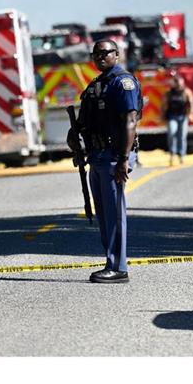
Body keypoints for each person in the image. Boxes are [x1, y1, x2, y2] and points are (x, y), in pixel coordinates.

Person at [67, 40, 142, 284]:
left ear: (116, 54)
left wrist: (123, 159)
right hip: (97, 155)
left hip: (114, 155)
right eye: (96, 54)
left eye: (105, 53)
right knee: (104, 215)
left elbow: (130, 121)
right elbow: (81, 123)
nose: (100, 57)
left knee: (114, 214)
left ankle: (119, 268)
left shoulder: (123, 83)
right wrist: (74, 141)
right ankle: (110, 261)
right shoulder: (95, 86)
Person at [163, 74, 193, 166]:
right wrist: (163, 115)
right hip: (172, 116)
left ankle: (181, 155)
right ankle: (172, 154)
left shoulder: (186, 91)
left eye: (180, 82)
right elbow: (164, 104)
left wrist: (191, 113)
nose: (178, 84)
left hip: (183, 116)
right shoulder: (169, 92)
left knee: (182, 136)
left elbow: (192, 103)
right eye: (176, 82)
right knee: (172, 133)